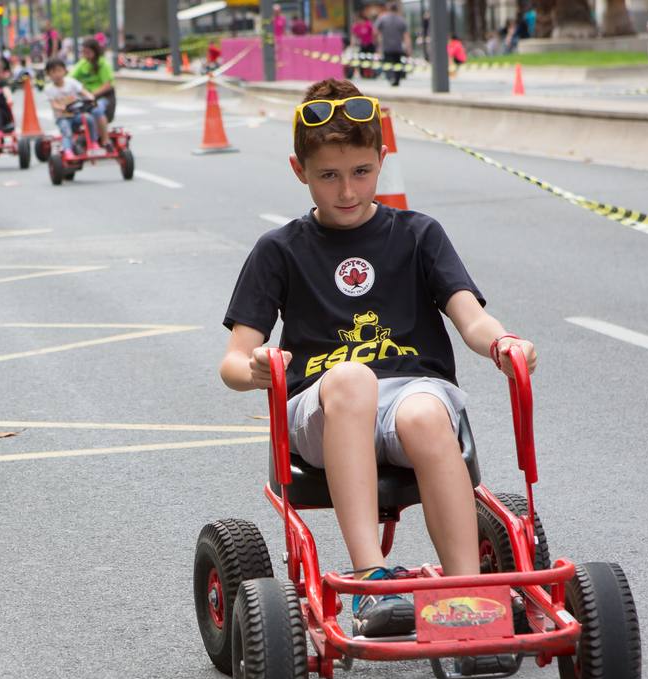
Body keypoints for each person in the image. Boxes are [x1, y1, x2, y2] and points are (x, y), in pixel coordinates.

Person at [217, 78, 536, 637]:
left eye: (361, 172)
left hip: (410, 396)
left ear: (382, 161)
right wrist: (258, 368)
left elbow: (470, 317)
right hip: (323, 408)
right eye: (328, 176)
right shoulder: (280, 249)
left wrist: (503, 343)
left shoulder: (418, 235)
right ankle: (370, 583)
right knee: (352, 380)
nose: (346, 191)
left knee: (423, 412)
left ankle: (466, 595)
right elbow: (233, 361)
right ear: (300, 171)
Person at [43, 57, 100, 154]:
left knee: (88, 119)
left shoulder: (71, 82)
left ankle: (93, 142)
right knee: (66, 130)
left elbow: (83, 91)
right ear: (49, 74)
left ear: (64, 71)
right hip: (62, 117)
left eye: (59, 71)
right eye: (53, 72)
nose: (57, 74)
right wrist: (62, 107)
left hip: (76, 114)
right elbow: (53, 104)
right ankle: (67, 150)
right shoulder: (49, 89)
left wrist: (90, 97)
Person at [72, 38, 115, 147]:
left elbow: (108, 85)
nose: (85, 55)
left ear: (95, 51)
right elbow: (70, 78)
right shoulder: (83, 64)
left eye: (88, 52)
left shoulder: (103, 64)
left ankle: (106, 141)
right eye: (84, 52)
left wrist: (92, 95)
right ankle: (85, 138)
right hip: (87, 97)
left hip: (104, 97)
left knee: (97, 109)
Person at [374, 3, 410, 86]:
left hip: (386, 46)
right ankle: (396, 80)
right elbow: (406, 36)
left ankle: (390, 78)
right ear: (397, 9)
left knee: (387, 63)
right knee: (397, 63)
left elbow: (375, 32)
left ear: (389, 9)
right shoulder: (401, 20)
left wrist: (378, 44)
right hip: (398, 47)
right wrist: (408, 48)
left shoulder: (382, 18)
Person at [351, 12, 376, 77]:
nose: (357, 21)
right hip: (362, 45)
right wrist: (352, 45)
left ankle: (371, 74)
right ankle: (363, 74)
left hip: (370, 44)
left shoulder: (368, 24)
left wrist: (374, 41)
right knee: (361, 60)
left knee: (370, 60)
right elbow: (353, 36)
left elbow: (374, 33)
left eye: (357, 19)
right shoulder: (356, 26)